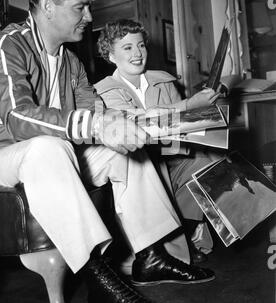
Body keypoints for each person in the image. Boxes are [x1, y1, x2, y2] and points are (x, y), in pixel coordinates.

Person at [0, 0, 215, 303]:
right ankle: (101, 286)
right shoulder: (5, 45)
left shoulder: (72, 61)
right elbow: (18, 117)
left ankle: (150, 256)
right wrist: (98, 124)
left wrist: (122, 126)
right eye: (80, 8)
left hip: (55, 153)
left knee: (124, 151)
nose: (90, 17)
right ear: (47, 6)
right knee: (47, 148)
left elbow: (96, 114)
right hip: (1, 162)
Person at [95, 19, 222, 263]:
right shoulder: (103, 92)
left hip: (172, 156)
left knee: (212, 160)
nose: (138, 53)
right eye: (128, 47)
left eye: (141, 45)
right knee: (153, 165)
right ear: (110, 55)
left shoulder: (164, 80)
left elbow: (181, 130)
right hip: (138, 166)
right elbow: (137, 122)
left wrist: (204, 115)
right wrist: (189, 105)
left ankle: (188, 227)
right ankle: (171, 248)